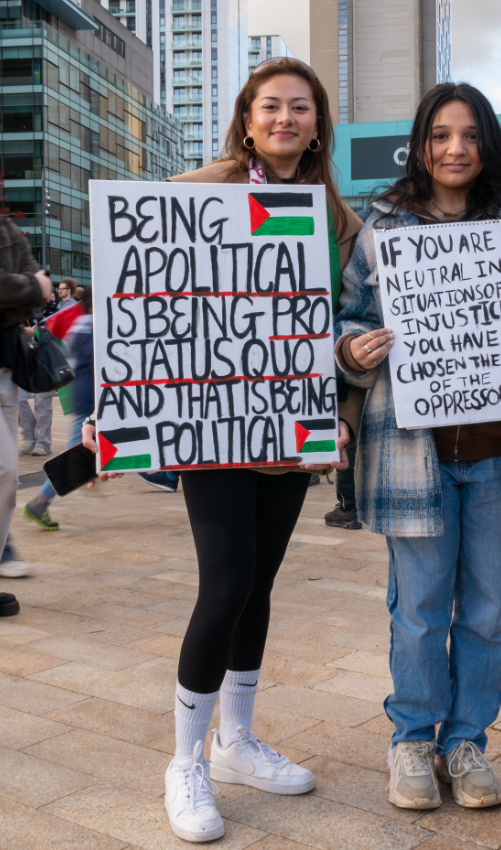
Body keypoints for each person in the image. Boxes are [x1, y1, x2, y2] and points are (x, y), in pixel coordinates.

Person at [84, 57, 363, 844]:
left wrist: (336, 412)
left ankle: (236, 742)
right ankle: (185, 761)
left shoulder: (335, 217)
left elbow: (335, 332)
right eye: (271, 106)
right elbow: (137, 296)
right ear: (246, 119)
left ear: (317, 125)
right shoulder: (190, 194)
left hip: (285, 427)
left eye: (299, 108)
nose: (285, 119)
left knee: (260, 586)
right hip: (211, 426)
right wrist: (112, 401)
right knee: (227, 580)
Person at [335, 81, 501, 812]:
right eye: (441, 134)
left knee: (486, 612)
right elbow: (343, 322)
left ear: (488, 145)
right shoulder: (380, 226)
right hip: (412, 453)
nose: (455, 148)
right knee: (416, 607)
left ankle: (465, 739)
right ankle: (411, 739)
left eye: (469, 135)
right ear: (419, 143)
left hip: (500, 453)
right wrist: (354, 349)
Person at [0, 215, 52, 616]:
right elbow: (36, 284)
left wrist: (30, 286)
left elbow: (34, 278)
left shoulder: (8, 227)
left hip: (6, 364)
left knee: (6, 475)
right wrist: (32, 287)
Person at [22, 287, 94, 531]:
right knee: (74, 454)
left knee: (81, 452)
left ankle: (91, 475)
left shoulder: (82, 324)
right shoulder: (90, 327)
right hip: (88, 400)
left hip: (85, 397)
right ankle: (40, 501)